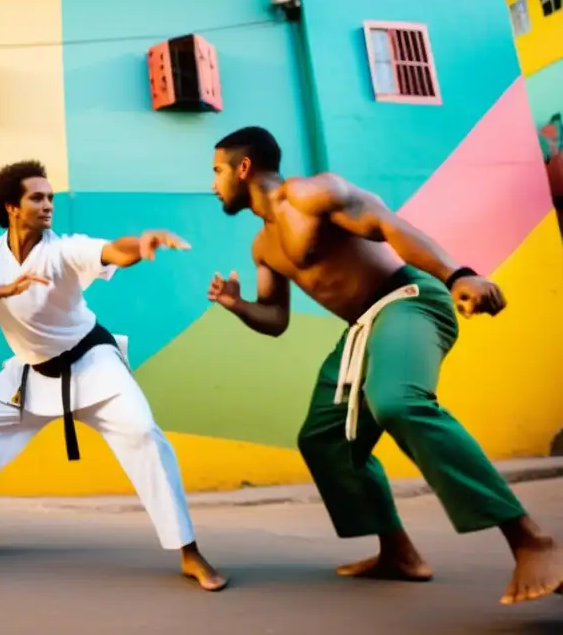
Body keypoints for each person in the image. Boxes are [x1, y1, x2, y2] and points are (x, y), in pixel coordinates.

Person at [207, 125, 562, 606]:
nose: (213, 184)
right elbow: (275, 320)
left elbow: (389, 226)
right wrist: (237, 304)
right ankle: (399, 554)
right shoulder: (263, 248)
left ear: (243, 168)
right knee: (324, 437)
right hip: (362, 328)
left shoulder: (311, 194)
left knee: (396, 401)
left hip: (408, 299)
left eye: (217, 171)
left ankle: (529, 539)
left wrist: (458, 274)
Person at [0, 160, 226, 592]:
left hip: (92, 363)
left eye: (50, 197)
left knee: (143, 433)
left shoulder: (62, 249)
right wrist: (5, 290)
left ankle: (189, 552)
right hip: (32, 373)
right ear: (12, 206)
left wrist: (139, 245)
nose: (48, 205)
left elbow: (108, 251)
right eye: (37, 197)